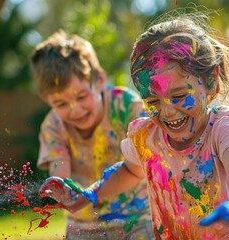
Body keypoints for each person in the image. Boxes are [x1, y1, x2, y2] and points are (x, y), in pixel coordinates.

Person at [39, 11, 229, 239]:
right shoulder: (147, 136)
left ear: (211, 82)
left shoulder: (222, 128)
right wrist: (89, 194)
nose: (167, 111)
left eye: (178, 95)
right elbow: (128, 171)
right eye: (153, 101)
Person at [29, 31, 153, 239]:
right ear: (46, 100)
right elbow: (60, 167)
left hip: (137, 219)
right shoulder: (53, 125)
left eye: (81, 96)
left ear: (99, 80)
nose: (74, 109)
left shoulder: (126, 107)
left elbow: (143, 163)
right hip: (83, 227)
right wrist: (62, 186)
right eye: (60, 104)